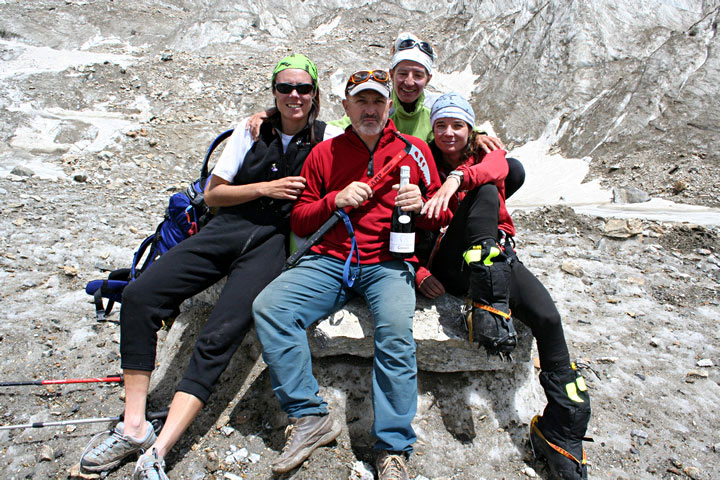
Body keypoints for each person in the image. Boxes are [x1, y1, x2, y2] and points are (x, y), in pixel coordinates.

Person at [79, 54, 342, 480]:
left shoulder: (330, 139)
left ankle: (159, 449)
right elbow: (215, 194)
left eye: (304, 89)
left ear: (316, 95)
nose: (294, 96)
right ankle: (134, 426)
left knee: (220, 334)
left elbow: (377, 126)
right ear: (274, 91)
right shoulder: (251, 129)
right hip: (226, 228)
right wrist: (266, 187)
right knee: (140, 295)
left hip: (273, 244)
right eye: (285, 88)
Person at [252, 69, 450, 480]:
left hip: (388, 263)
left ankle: (392, 447)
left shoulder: (415, 150)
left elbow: (440, 216)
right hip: (329, 260)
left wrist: (421, 205)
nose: (370, 109)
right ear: (346, 107)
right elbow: (302, 221)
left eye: (378, 101)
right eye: (361, 101)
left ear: (389, 105)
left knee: (396, 333)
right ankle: (309, 417)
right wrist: (332, 200)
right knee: (270, 307)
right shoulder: (324, 153)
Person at [418, 92, 592, 480]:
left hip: (493, 258)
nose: (448, 133)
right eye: (441, 125)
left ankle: (564, 428)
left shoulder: (482, 156)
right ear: (432, 129)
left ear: (471, 129)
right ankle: (485, 297)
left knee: (548, 317)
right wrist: (417, 270)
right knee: (484, 190)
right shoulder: (422, 160)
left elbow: (505, 165)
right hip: (450, 261)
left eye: (457, 125)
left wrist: (458, 177)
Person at [247, 32, 526, 198]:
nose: (409, 81)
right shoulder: (377, 110)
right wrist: (278, 113)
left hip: (429, 184)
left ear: (428, 79)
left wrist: (479, 136)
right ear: (391, 75)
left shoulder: (433, 110)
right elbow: (333, 126)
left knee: (512, 169)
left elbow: (455, 131)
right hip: (391, 190)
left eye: (417, 75)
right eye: (402, 73)